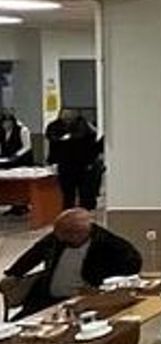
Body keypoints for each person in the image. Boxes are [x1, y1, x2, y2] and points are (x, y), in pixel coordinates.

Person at [4, 208, 142, 316]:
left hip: (83, 302)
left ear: (78, 233)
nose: (60, 240)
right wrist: (13, 273)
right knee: (18, 323)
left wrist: (99, 288)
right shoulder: (57, 238)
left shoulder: (110, 245)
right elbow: (34, 254)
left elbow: (133, 265)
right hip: (45, 299)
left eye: (65, 237)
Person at [45, 109, 100, 209]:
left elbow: (91, 145)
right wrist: (52, 161)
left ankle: (84, 210)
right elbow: (52, 143)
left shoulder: (84, 126)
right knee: (68, 192)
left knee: (84, 192)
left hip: (81, 164)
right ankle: (70, 210)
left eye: (70, 117)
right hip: (66, 164)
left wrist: (90, 161)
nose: (67, 119)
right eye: (65, 117)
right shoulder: (54, 126)